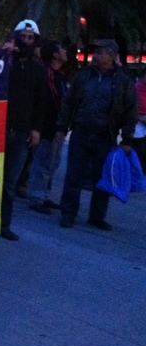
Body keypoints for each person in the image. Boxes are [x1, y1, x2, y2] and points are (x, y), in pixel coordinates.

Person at [55, 39, 137, 230]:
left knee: (102, 178)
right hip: (81, 133)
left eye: (101, 52)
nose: (96, 55)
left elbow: (131, 110)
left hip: (105, 137)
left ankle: (97, 216)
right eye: (96, 52)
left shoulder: (123, 80)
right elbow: (68, 103)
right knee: (73, 176)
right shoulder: (84, 76)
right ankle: (68, 213)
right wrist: (61, 128)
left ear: (112, 56)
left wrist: (127, 139)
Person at [0, 19, 46, 241]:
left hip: (21, 133)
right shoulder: (4, 62)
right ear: (16, 38)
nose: (26, 41)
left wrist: (36, 129)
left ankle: (4, 225)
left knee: (10, 183)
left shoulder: (38, 69)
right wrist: (2, 55)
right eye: (23, 37)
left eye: (31, 38)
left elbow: (40, 101)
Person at [27, 40, 69, 215]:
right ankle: (36, 197)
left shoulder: (58, 75)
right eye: (61, 49)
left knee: (52, 163)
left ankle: (44, 195)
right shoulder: (47, 74)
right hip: (47, 127)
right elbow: (53, 102)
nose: (65, 51)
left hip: (56, 127)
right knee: (43, 163)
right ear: (55, 55)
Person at [133, 68, 146, 172]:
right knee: (140, 152)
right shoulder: (135, 89)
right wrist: (140, 117)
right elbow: (131, 107)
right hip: (138, 124)